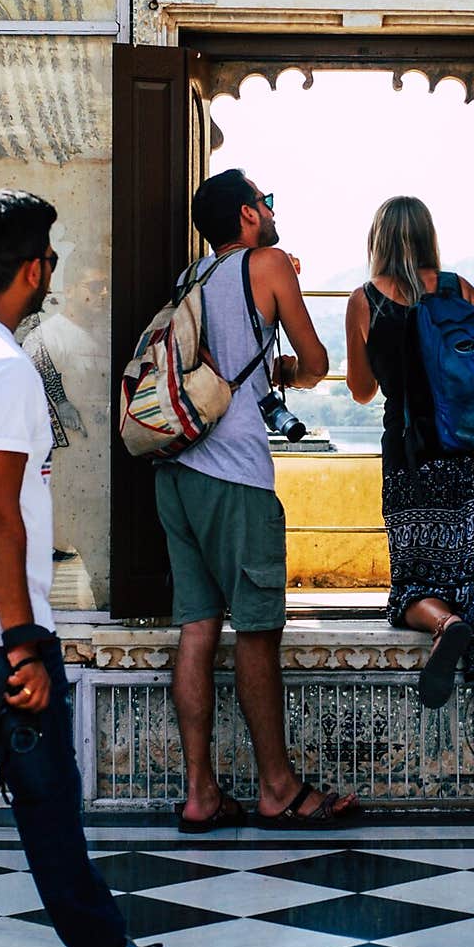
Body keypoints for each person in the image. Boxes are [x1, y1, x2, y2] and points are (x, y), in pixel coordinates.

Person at [0, 190, 219, 947]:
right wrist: (21, 644)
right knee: (49, 806)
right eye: (51, 257)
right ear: (33, 268)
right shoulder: (4, 368)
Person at [155, 169, 360, 832]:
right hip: (236, 477)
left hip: (176, 470)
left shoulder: (193, 277)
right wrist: (287, 370)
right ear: (248, 215)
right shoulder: (269, 264)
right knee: (257, 631)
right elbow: (317, 359)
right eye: (265, 204)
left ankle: (200, 792)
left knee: (196, 626)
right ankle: (277, 788)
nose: (271, 213)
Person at [345, 195, 474, 716]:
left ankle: (446, 626)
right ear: (428, 236)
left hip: (412, 460)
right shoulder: (459, 288)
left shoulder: (364, 299)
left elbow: (361, 390)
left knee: (417, 583)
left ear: (378, 241)